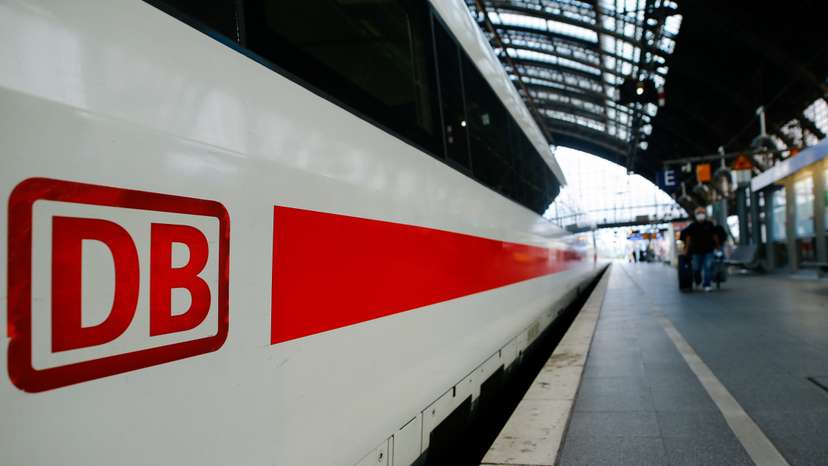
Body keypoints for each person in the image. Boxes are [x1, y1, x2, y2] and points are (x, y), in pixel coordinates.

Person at [680, 207, 721, 291]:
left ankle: (707, 284)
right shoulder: (692, 226)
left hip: (709, 250)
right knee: (696, 268)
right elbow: (688, 238)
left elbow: (715, 236)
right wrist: (686, 249)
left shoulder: (709, 224)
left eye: (702, 213)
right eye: (698, 213)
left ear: (705, 214)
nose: (700, 215)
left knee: (708, 266)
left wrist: (717, 247)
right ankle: (698, 281)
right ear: (695, 215)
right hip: (696, 251)